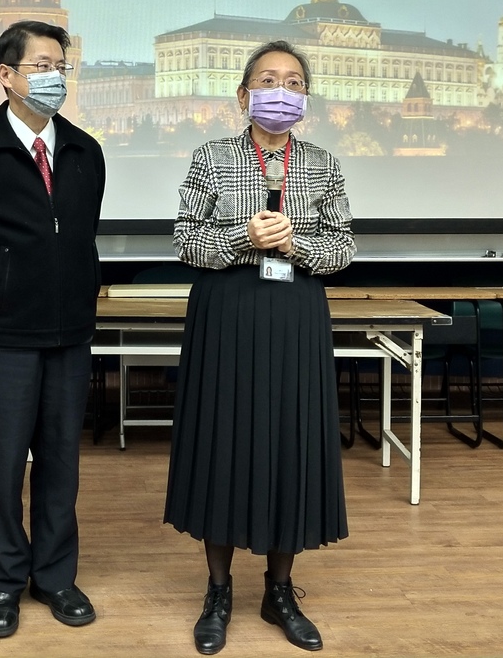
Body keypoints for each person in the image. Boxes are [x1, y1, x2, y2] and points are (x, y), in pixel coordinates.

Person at [164, 40, 356, 654]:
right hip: (227, 313)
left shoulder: (323, 164)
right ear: (244, 95)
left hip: (295, 316)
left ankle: (280, 590)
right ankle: (217, 590)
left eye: (294, 81)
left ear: (306, 97)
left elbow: (343, 251)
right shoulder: (212, 158)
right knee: (223, 440)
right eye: (269, 79)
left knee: (289, 442)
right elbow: (186, 242)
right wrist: (244, 238)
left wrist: (295, 246)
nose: (283, 89)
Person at [0, 19, 105, 639]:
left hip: (69, 334)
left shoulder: (86, 151)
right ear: (5, 75)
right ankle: (4, 580)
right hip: (1, 336)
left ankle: (55, 576)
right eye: (39, 65)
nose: (53, 75)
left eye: (61, 65)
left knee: (61, 460)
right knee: (3, 463)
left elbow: (81, 236)